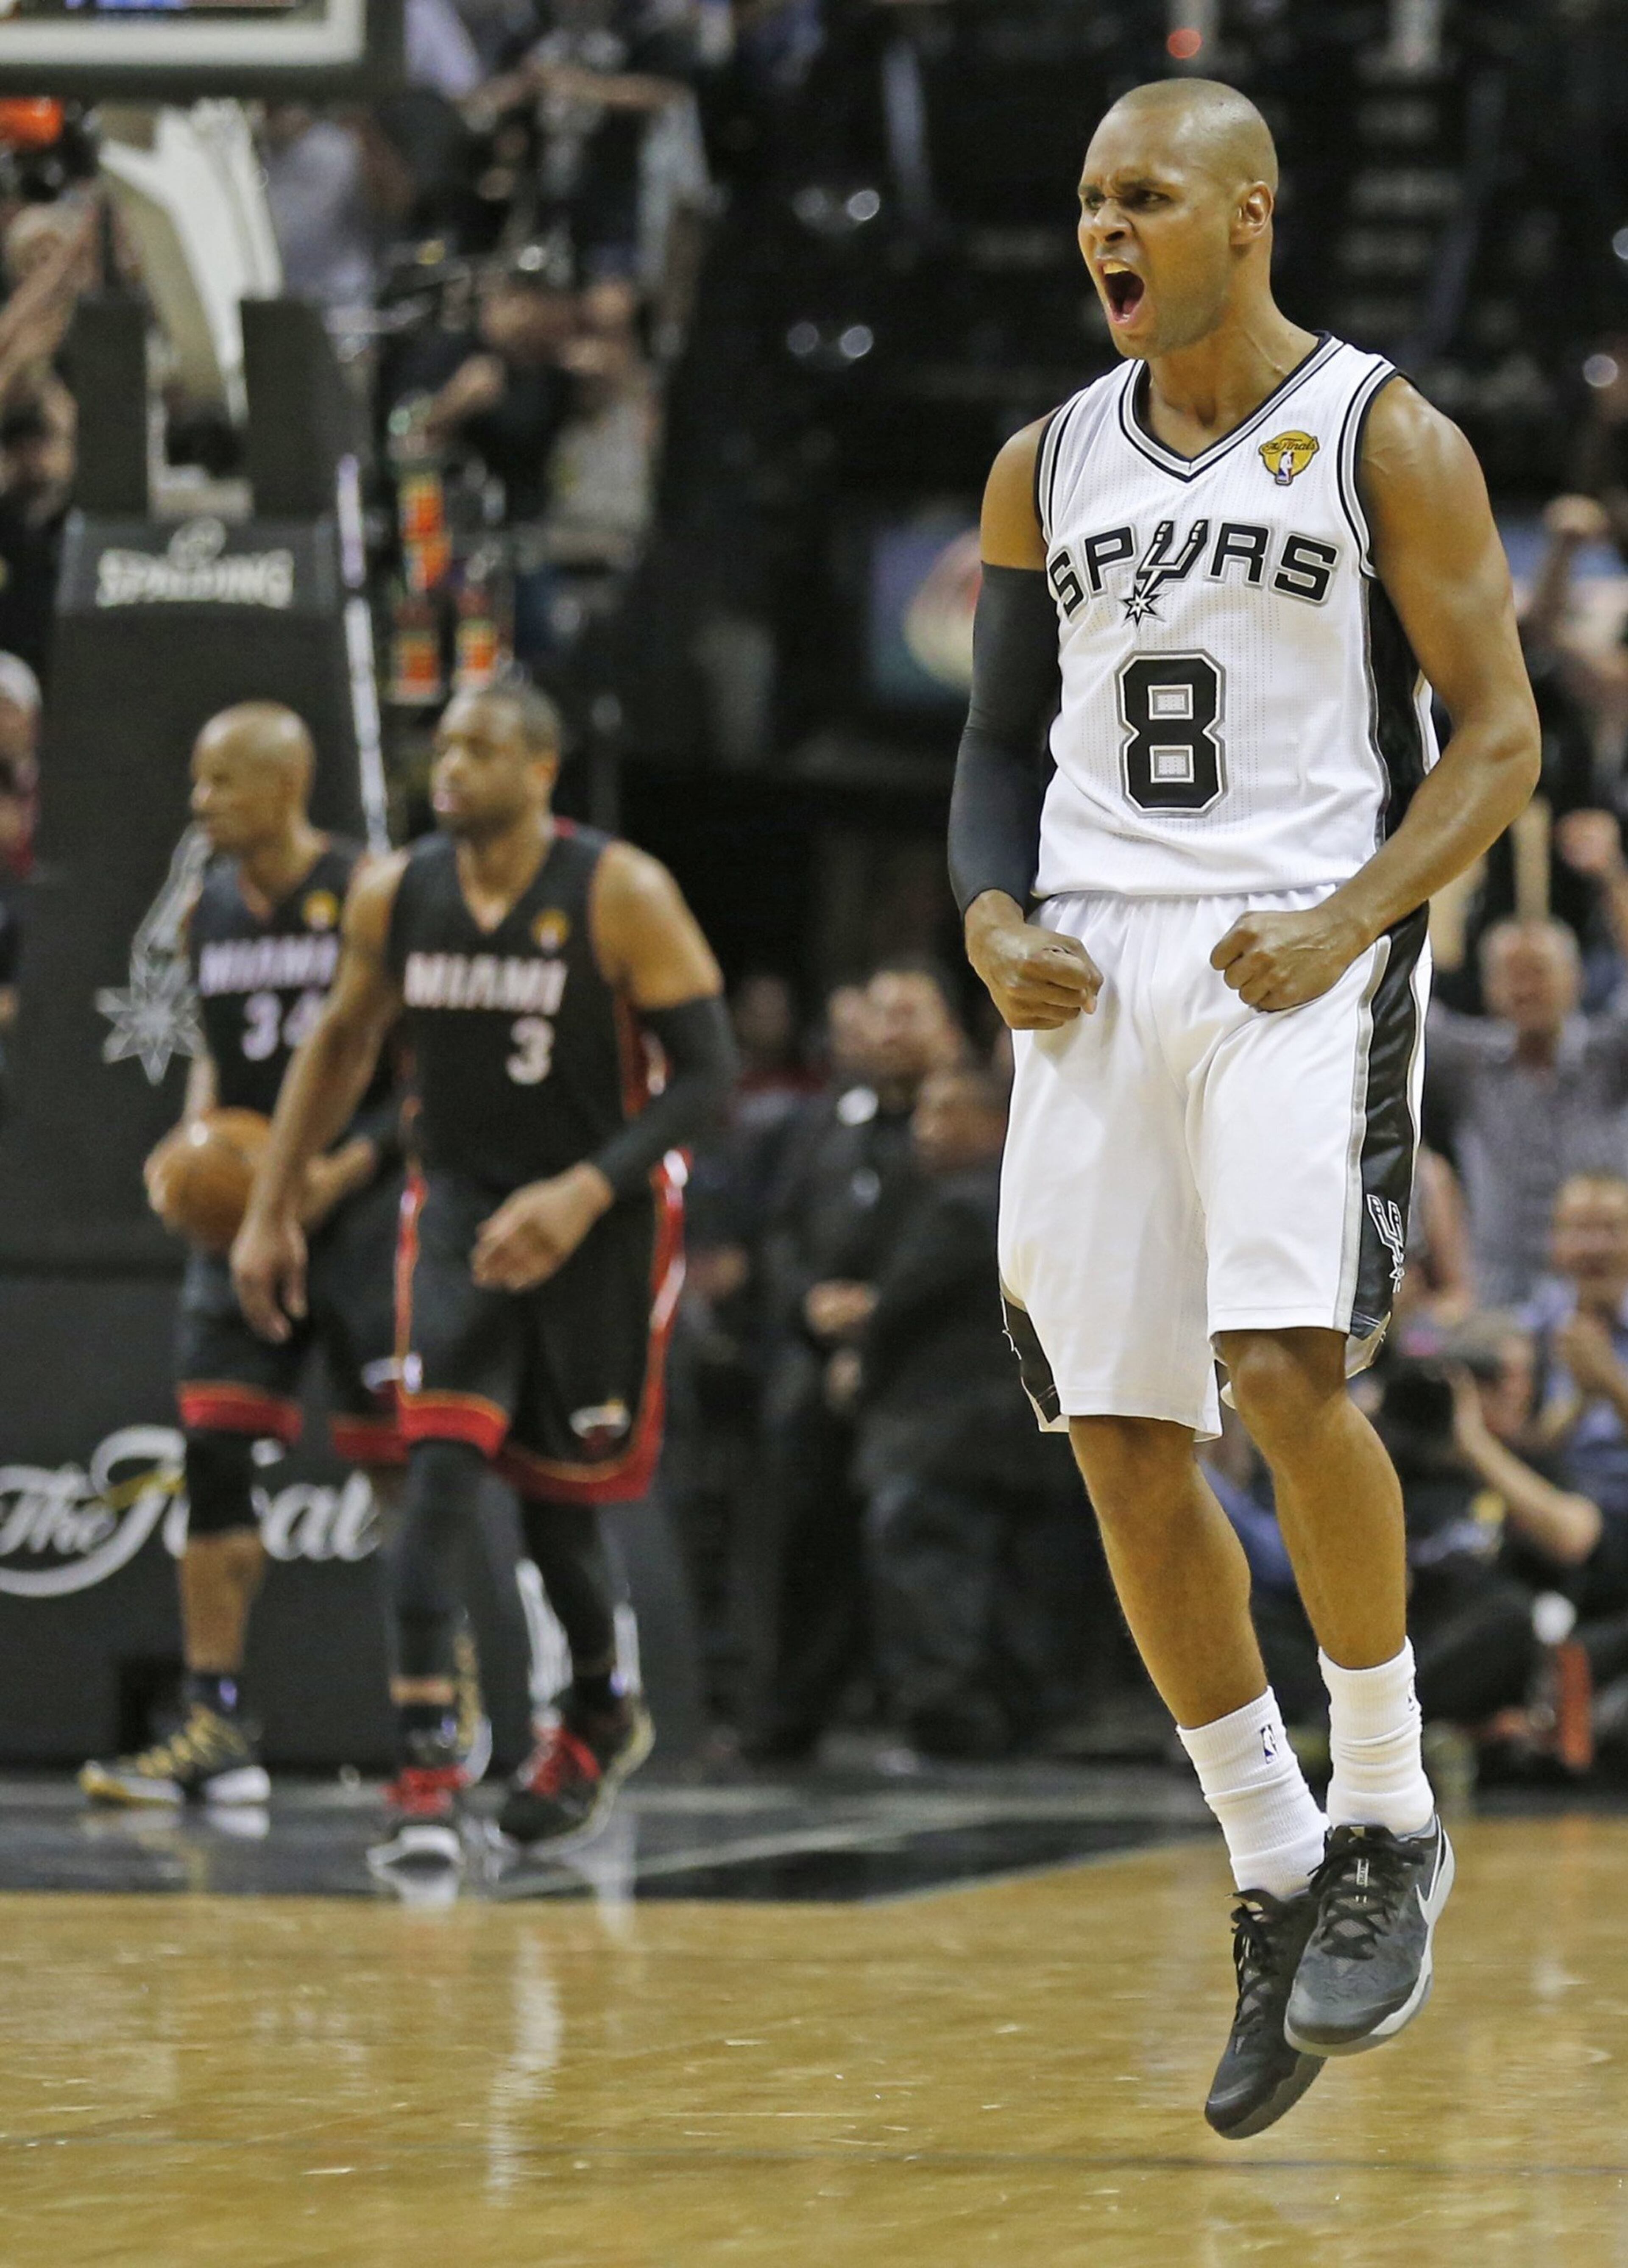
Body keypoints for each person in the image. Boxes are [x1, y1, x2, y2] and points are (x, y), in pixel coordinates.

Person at [947, 79, 1539, 2137]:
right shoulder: (1047, 460)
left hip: (1305, 943)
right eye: (1090, 196)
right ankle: (1277, 1861)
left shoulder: (1390, 433)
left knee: (1286, 1366)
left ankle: (1389, 1805)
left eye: (1145, 196)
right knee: (1122, 1437)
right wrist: (989, 913)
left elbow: (1500, 740)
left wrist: (1358, 915)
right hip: (1096, 965)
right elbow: (999, 742)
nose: (1107, 227)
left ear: (1249, 216)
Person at [232, 683, 736, 1879]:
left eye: (482, 745)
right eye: (443, 743)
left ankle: (601, 1711)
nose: (450, 764)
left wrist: (579, 1193)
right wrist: (268, 1207)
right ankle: (423, 1772)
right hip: (456, 1214)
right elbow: (341, 1042)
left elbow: (707, 1080)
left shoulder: (621, 889)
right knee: (439, 1474)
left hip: (595, 1224)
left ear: (543, 768)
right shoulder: (394, 889)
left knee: (561, 1503)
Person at [78, 705, 407, 1807]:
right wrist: (192, 1148)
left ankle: (436, 1723)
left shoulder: (367, 889)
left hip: (358, 1205)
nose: (199, 801)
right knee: (214, 1455)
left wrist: (328, 1176)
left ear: (285, 784)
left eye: (220, 781)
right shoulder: (208, 909)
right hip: (248, 1213)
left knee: (401, 1467)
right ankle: (214, 1720)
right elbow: (217, 1063)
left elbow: (412, 1075)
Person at [747, 959, 962, 1760]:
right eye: (882, 1012)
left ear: (947, 1026)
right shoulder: (822, 1120)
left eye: (912, 1011)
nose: (893, 1027)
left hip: (929, 1364)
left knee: (912, 1537)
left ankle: (933, 1712)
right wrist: (808, 1306)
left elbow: (976, 1228)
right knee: (800, 1533)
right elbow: (779, 1229)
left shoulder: (971, 1116)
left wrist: (880, 1315)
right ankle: (788, 1710)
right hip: (816, 1357)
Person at [848, 1062, 1084, 1759]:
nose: (926, 1128)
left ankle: (947, 1710)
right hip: (1030, 1423)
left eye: (947, 1111)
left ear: (996, 1123)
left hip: (946, 1430)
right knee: (1014, 1574)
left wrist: (858, 1361)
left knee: (931, 1566)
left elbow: (896, 1308)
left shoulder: (962, 1206)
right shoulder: (1050, 1198)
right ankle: (1021, 1707)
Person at [1427, 919, 1628, 1308]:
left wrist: (1607, 874)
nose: (1526, 989)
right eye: (1510, 976)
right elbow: (1403, 1013)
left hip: (1607, 1302)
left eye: (1539, 972)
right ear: (1488, 988)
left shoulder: (1614, 1054)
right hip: (1500, 1307)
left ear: (1577, 978)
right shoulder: (1466, 1064)